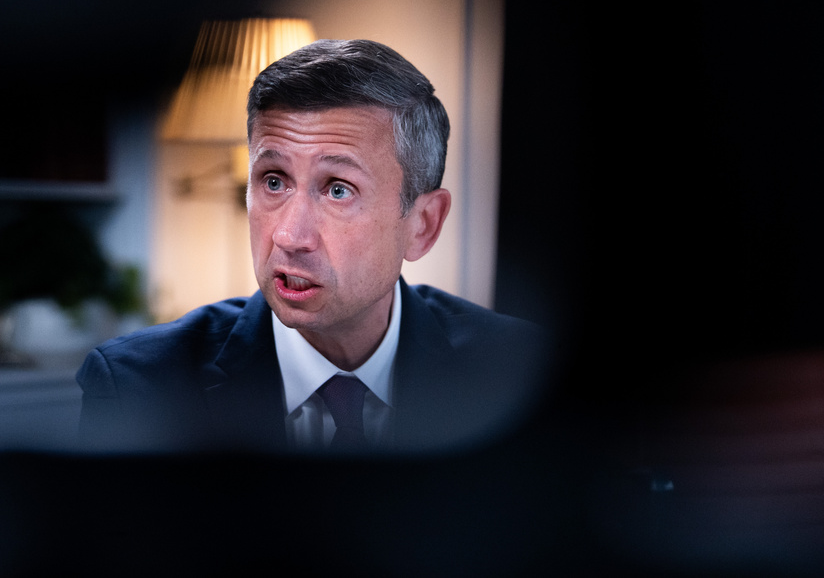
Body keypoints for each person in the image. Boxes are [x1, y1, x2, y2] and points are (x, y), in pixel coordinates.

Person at [76, 39, 549, 454]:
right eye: (274, 180)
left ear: (423, 225)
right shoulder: (138, 387)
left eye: (338, 189)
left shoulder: (518, 371)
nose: (288, 236)